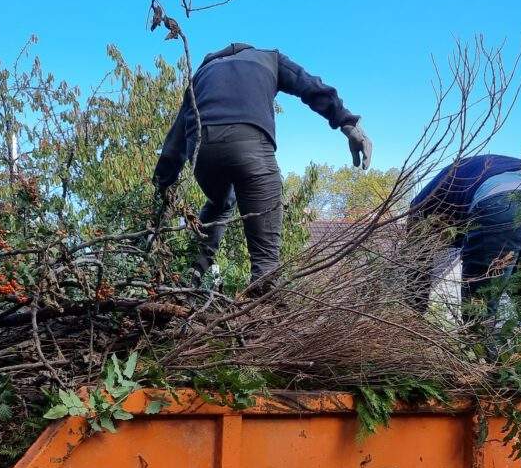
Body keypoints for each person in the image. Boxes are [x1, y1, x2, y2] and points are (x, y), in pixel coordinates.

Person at [152, 43, 371, 286]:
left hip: (201, 149)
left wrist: (162, 187)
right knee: (265, 265)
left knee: (222, 202)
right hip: (250, 144)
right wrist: (347, 123)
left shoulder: (202, 73)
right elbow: (310, 86)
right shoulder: (270, 59)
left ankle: (190, 278)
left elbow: (175, 140)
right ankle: (264, 303)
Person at [409, 154, 521, 331]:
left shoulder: (420, 210)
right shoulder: (458, 181)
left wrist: (414, 313)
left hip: (499, 199)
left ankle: (483, 357)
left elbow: (418, 267)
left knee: (478, 306)